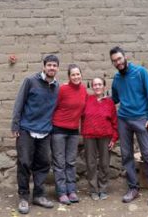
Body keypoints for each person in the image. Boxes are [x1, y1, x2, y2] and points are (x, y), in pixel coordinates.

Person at [109, 46, 148, 206]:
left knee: (147, 154)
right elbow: (115, 99)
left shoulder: (140, 72)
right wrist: (99, 100)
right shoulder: (117, 79)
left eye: (119, 59)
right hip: (123, 120)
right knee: (126, 155)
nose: (117, 62)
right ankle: (133, 188)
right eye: (114, 61)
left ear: (125, 56)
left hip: (141, 119)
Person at [11, 55, 60, 214]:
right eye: (49, 65)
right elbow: (19, 102)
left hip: (45, 131)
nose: (52, 68)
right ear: (44, 66)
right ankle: (24, 197)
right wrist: (15, 125)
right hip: (26, 129)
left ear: (57, 68)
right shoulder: (30, 81)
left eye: (55, 66)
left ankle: (38, 195)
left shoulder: (57, 86)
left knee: (44, 163)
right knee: (24, 163)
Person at [51, 64, 87, 205]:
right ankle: (61, 192)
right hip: (59, 129)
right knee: (59, 163)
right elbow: (53, 107)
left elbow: (84, 112)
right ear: (69, 77)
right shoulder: (62, 89)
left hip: (73, 131)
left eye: (78, 74)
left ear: (81, 75)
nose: (76, 77)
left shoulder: (83, 90)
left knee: (71, 162)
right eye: (73, 75)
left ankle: (71, 190)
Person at [81, 77, 118, 201]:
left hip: (105, 136)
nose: (97, 86)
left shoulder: (109, 103)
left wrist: (114, 139)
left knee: (104, 163)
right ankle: (93, 190)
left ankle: (102, 188)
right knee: (91, 163)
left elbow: (115, 122)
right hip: (89, 136)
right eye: (94, 85)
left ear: (104, 87)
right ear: (92, 87)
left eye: (99, 84)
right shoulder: (87, 100)